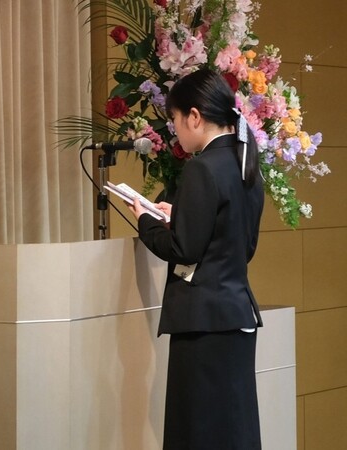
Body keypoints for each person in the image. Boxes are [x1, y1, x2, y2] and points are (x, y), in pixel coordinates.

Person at [128, 69, 264, 449]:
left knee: (198, 432)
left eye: (174, 119)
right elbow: (238, 241)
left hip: (204, 323)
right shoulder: (245, 163)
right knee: (232, 429)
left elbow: (183, 250)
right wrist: (182, 215)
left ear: (194, 116)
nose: (174, 130)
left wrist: (146, 220)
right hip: (236, 315)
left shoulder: (202, 167)